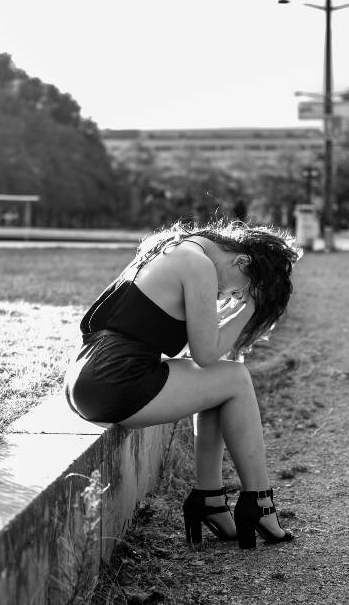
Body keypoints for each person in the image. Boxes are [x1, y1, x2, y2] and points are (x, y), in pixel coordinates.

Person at [64, 219, 301, 549]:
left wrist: (246, 304)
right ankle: (259, 503)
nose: (228, 296)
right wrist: (253, 306)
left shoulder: (180, 248)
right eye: (237, 291)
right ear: (242, 261)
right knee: (235, 378)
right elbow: (206, 354)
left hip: (92, 373)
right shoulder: (198, 265)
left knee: (226, 379)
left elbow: (204, 354)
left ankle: (212, 499)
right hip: (114, 379)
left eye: (237, 297)